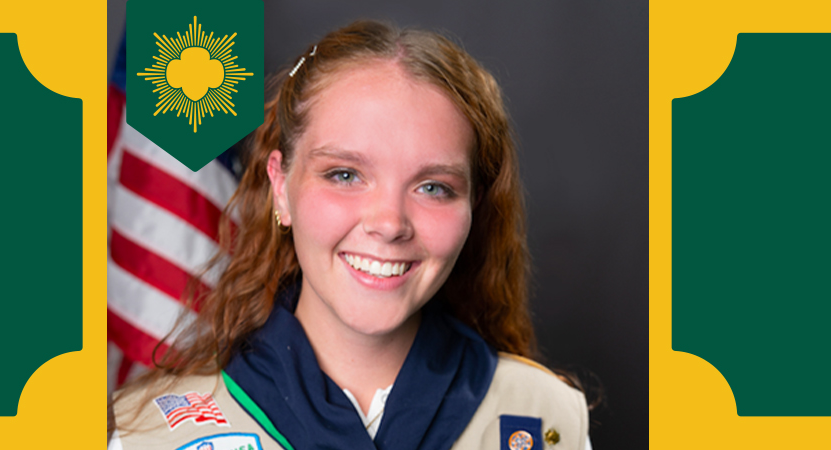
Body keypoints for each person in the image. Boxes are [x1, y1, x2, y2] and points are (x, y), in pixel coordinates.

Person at [111, 21, 590, 450]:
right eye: (344, 175)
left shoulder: (544, 421)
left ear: (472, 208)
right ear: (281, 188)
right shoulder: (150, 434)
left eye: (433, 187)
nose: (389, 223)